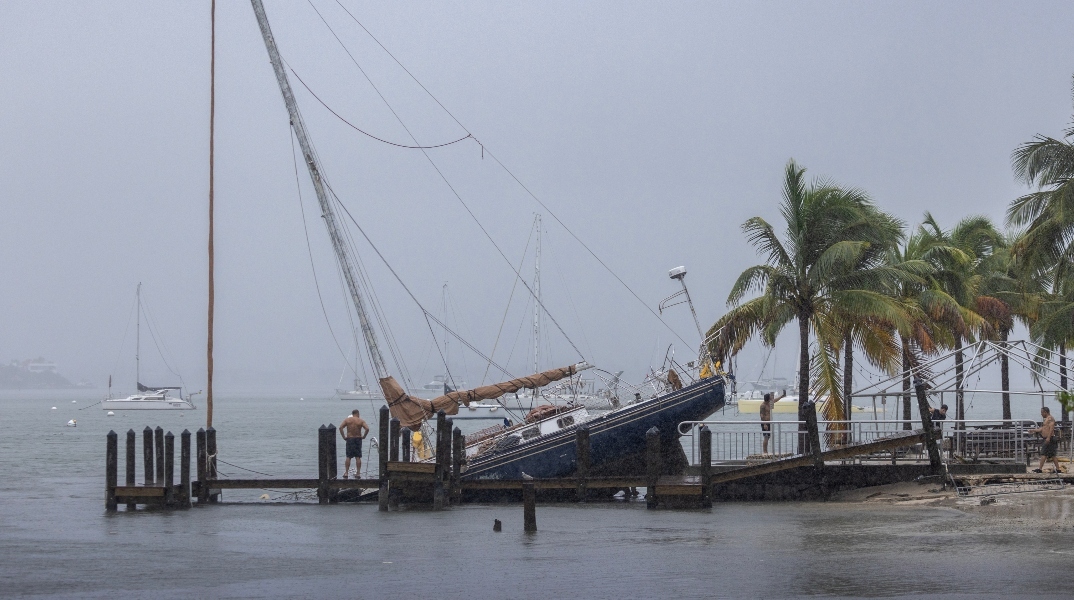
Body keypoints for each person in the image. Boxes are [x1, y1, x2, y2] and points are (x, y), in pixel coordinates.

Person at [1029, 406, 1064, 474]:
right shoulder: (1046, 420)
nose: (1041, 414)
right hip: (1047, 438)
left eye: (1042, 412)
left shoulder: (1050, 418)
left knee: (1047, 454)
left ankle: (1054, 469)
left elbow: (1051, 428)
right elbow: (1042, 429)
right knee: (1048, 454)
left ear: (1045, 412)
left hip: (1050, 438)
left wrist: (1048, 437)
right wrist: (1033, 430)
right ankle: (1044, 469)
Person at [338, 410, 369, 479]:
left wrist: (344, 437)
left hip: (350, 439)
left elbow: (340, 428)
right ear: (358, 414)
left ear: (352, 414)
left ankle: (346, 473)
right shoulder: (361, 421)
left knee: (348, 456)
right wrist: (364, 436)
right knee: (358, 457)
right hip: (358, 439)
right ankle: (358, 473)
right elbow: (367, 428)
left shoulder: (347, 420)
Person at [760, 390, 787, 454]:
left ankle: (766, 450)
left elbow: (775, 400)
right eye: (769, 399)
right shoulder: (763, 405)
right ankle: (765, 451)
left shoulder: (769, 403)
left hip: (769, 422)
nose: (770, 400)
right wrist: (764, 424)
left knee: (768, 436)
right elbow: (762, 415)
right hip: (765, 422)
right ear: (767, 400)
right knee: (766, 437)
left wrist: (781, 396)